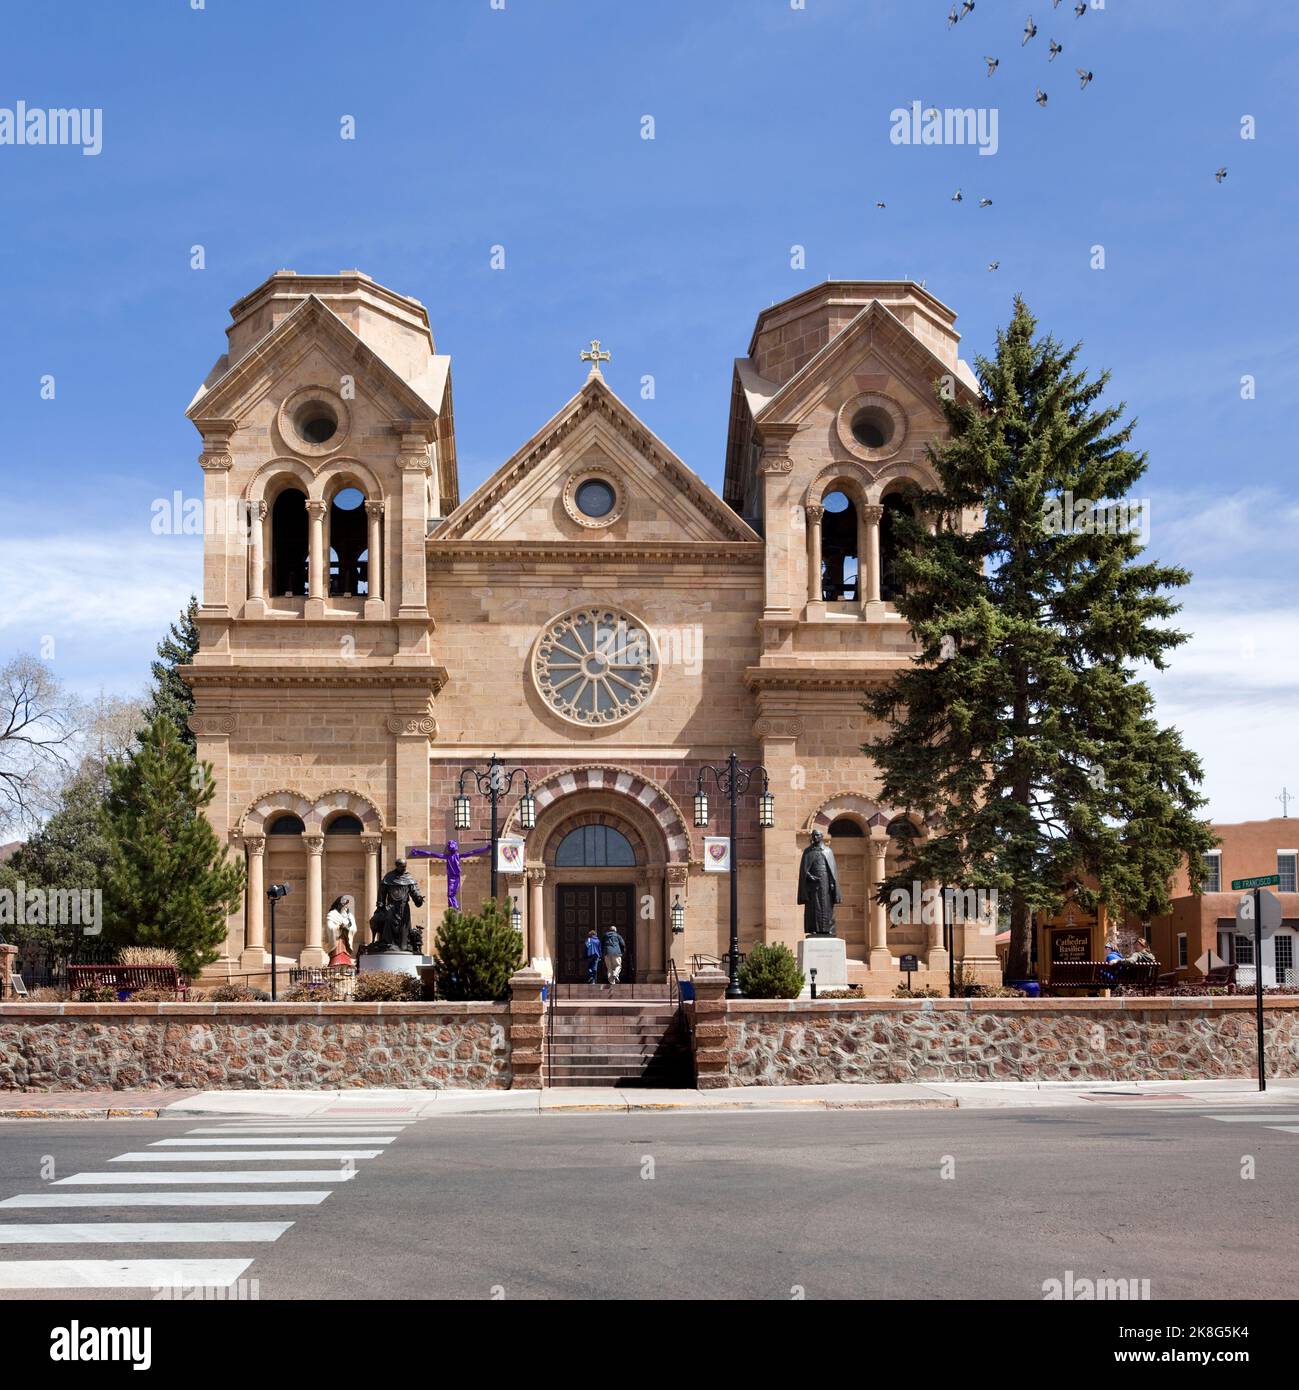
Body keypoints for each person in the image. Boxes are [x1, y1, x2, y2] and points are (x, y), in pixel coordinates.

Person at [325, 895, 356, 964]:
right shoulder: (332, 914)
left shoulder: (350, 916)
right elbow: (330, 927)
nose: (345, 906)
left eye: (346, 904)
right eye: (343, 904)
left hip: (346, 939)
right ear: (338, 904)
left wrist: (347, 928)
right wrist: (338, 927)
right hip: (337, 940)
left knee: (345, 957)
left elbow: (354, 928)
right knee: (337, 957)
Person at [601, 924, 627, 988]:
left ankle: (612, 982)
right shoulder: (618, 936)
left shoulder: (605, 935)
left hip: (607, 953)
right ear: (615, 930)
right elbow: (623, 944)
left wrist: (603, 952)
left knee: (609, 968)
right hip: (616, 953)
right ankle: (615, 974)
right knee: (618, 965)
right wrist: (622, 952)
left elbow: (602, 944)